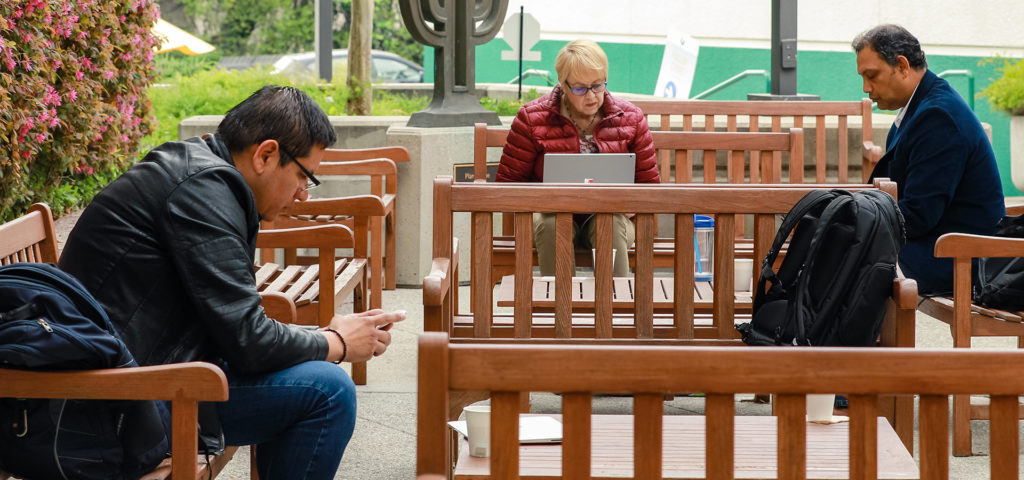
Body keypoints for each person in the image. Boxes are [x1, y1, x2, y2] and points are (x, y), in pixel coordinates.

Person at [58, 85, 406, 480]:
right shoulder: (202, 191)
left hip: (134, 379)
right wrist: (336, 342)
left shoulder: (199, 172)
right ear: (266, 154)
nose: (304, 195)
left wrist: (317, 339)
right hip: (112, 406)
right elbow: (249, 343)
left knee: (312, 377)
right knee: (327, 391)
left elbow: (241, 331)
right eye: (304, 176)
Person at [853, 24, 1005, 294]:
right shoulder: (920, 107)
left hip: (961, 257)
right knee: (844, 250)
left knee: (852, 259)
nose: (866, 88)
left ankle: (822, 336)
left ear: (901, 66)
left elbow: (919, 214)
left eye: (872, 75)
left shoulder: (938, 117)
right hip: (941, 244)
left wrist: (858, 228)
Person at [496, 38, 660, 277]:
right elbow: (507, 185)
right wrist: (540, 203)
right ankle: (561, 310)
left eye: (598, 85)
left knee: (609, 223)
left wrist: (629, 207)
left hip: (614, 217)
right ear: (563, 84)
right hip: (549, 217)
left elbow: (650, 187)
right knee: (554, 224)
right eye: (580, 88)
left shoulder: (630, 118)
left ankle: (615, 308)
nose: (592, 96)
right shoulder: (532, 118)